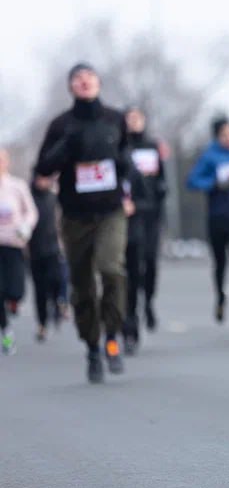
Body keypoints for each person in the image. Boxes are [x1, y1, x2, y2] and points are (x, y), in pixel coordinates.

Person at [35, 63, 133, 382]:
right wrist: (67, 147)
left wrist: (123, 170)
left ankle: (113, 337)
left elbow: (127, 161)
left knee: (111, 269)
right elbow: (42, 169)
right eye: (77, 78)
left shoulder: (115, 119)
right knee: (83, 285)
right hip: (76, 215)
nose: (84, 81)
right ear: (71, 87)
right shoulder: (61, 125)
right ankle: (92, 346)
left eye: (89, 76)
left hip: (110, 210)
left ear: (99, 83)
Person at [186, 116, 229, 334]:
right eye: (225, 134)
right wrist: (216, 184)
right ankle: (221, 297)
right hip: (217, 218)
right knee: (220, 265)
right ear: (218, 136)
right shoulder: (210, 157)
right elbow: (192, 181)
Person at [123, 105, 167, 353]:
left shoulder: (152, 148)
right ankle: (131, 323)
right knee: (131, 271)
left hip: (151, 217)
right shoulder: (121, 149)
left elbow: (163, 181)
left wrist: (160, 192)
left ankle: (148, 301)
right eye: (129, 118)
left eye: (138, 117)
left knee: (150, 265)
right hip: (128, 219)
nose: (134, 122)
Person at [0, 149, 38, 354]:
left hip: (13, 243)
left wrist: (25, 227)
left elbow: (31, 211)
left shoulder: (17, 186)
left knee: (15, 290)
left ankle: (13, 302)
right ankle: (5, 331)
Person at [28, 168, 64, 342]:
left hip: (53, 249)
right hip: (34, 251)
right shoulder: (28, 198)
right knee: (40, 290)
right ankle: (42, 323)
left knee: (56, 281)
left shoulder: (54, 198)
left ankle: (58, 306)